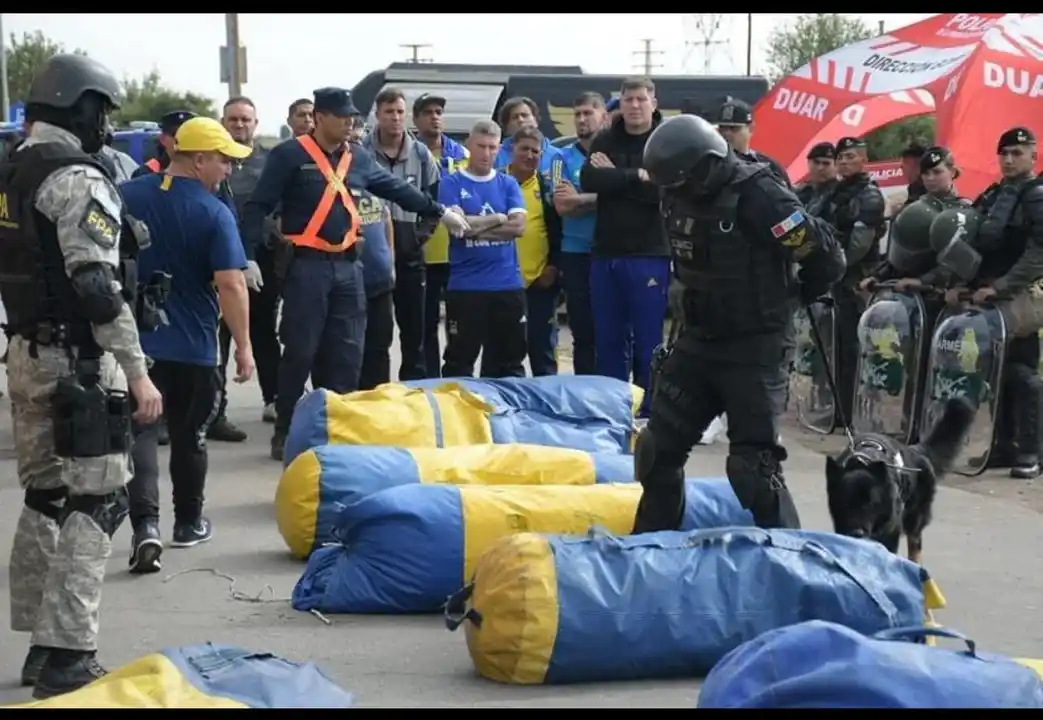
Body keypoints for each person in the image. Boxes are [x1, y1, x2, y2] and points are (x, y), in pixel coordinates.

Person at [0, 53, 163, 697]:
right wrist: (139, 371)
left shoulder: (10, 171)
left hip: (25, 356)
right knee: (99, 501)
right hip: (81, 364)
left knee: (46, 497)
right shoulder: (77, 179)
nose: (106, 125)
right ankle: (69, 653)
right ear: (81, 106)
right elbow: (96, 287)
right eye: (102, 110)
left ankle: (40, 644)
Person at [634, 113, 845, 534]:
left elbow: (827, 259)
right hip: (698, 338)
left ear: (707, 165)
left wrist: (794, 298)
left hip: (755, 346)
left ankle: (792, 560)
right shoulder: (676, 191)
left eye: (683, 182)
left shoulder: (761, 196)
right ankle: (650, 551)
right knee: (656, 452)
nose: (677, 192)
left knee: (753, 469)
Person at [241, 87, 469, 461]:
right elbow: (258, 205)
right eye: (342, 115)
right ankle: (285, 430)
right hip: (307, 267)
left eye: (352, 116)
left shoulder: (357, 158)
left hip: (350, 268)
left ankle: (338, 429)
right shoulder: (289, 155)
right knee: (300, 351)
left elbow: (395, 188)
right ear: (320, 118)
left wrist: (437, 210)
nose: (350, 121)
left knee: (347, 354)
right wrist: (246, 256)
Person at [121, 117, 254, 556]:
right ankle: (188, 522)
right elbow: (232, 284)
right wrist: (244, 348)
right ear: (198, 160)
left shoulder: (128, 195)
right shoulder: (215, 212)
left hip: (136, 347)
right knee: (189, 436)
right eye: (223, 161)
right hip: (194, 345)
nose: (229, 171)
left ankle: (145, 528)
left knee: (139, 435)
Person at [947, 127, 1043, 478]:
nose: (1009, 159)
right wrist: (961, 283)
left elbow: (1038, 254)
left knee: (1022, 373)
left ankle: (1032, 451)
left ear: (1033, 156)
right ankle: (1003, 446)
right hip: (988, 294)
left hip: (1020, 296)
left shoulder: (1036, 194)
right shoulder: (993, 194)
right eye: (1004, 153)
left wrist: (1002, 286)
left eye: (1017, 153)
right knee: (996, 372)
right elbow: (975, 243)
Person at [581, 77, 670, 416]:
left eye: (641, 99)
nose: (634, 106)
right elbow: (590, 180)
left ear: (653, 102)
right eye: (628, 99)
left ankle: (649, 411)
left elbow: (662, 191)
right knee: (609, 339)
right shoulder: (606, 138)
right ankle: (613, 409)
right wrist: (637, 176)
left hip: (649, 254)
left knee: (648, 342)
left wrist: (617, 176)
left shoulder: (664, 140)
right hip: (606, 253)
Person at [439, 119, 528, 378]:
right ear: (469, 144)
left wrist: (473, 223)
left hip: (507, 286)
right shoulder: (451, 184)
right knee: (459, 362)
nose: (486, 153)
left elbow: (518, 228)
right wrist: (498, 218)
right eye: (481, 146)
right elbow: (457, 228)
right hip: (466, 287)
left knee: (509, 363)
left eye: (492, 147)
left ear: (499, 148)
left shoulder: (508, 183)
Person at [362, 88, 440, 381]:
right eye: (388, 112)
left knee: (414, 333)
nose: (395, 118)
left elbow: (433, 203)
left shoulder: (420, 154)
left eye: (399, 112)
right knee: (376, 335)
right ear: (377, 115)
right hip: (373, 256)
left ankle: (414, 393)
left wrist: (417, 237)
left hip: (409, 255)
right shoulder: (361, 152)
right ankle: (375, 392)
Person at [210, 96, 274, 438]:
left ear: (255, 123)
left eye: (245, 120)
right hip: (218, 260)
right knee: (218, 338)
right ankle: (214, 411)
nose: (239, 125)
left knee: (264, 332)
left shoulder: (269, 162)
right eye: (232, 120)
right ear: (223, 122)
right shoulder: (212, 160)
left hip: (262, 259)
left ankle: (273, 399)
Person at [825, 136, 887, 426]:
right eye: (841, 157)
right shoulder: (836, 192)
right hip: (839, 277)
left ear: (864, 159)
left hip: (857, 278)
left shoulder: (869, 195)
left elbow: (860, 243)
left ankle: (856, 412)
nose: (844, 162)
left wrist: (834, 266)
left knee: (856, 347)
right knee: (839, 346)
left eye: (850, 156)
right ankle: (841, 409)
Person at [414, 93, 469, 377]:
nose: (435, 116)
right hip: (422, 253)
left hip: (456, 253)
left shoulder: (461, 155)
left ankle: (455, 379)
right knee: (425, 324)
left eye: (439, 111)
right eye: (427, 112)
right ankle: (430, 380)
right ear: (416, 119)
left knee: (458, 325)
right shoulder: (408, 154)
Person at [554, 91, 605, 375]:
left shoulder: (613, 154)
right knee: (583, 331)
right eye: (578, 114)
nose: (582, 119)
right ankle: (583, 392)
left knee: (614, 330)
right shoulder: (561, 157)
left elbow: (624, 196)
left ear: (603, 116)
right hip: (575, 253)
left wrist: (581, 199)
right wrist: (603, 198)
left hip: (610, 250)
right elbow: (562, 205)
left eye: (588, 113)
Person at [508, 126, 563, 376]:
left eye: (535, 151)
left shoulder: (547, 187)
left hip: (539, 284)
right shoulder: (498, 182)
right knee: (508, 353)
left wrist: (553, 267)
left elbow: (559, 231)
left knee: (543, 352)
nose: (530, 155)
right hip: (504, 285)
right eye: (524, 149)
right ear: (512, 150)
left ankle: (549, 410)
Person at [352, 116, 397, 388]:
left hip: (381, 281)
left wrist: (390, 261)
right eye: (351, 141)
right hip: (349, 281)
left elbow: (386, 217)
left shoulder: (372, 175)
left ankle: (379, 405)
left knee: (380, 347)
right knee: (350, 350)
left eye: (360, 141)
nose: (356, 146)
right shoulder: (334, 180)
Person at [714, 97, 791, 188]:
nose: (726, 133)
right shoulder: (713, 165)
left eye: (734, 128)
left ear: (751, 129)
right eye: (722, 128)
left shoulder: (769, 165)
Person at [494, 96, 565, 179]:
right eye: (515, 117)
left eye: (524, 115)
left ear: (535, 120)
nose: (520, 120)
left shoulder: (557, 156)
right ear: (506, 127)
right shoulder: (495, 155)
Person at [133, 110, 196, 177]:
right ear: (163, 139)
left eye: (189, 136)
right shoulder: (145, 173)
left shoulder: (202, 172)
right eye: (177, 134)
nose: (183, 140)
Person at [794, 141, 836, 213]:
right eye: (816, 162)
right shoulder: (800, 191)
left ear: (836, 166)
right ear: (808, 163)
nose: (820, 168)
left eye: (826, 164)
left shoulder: (839, 193)